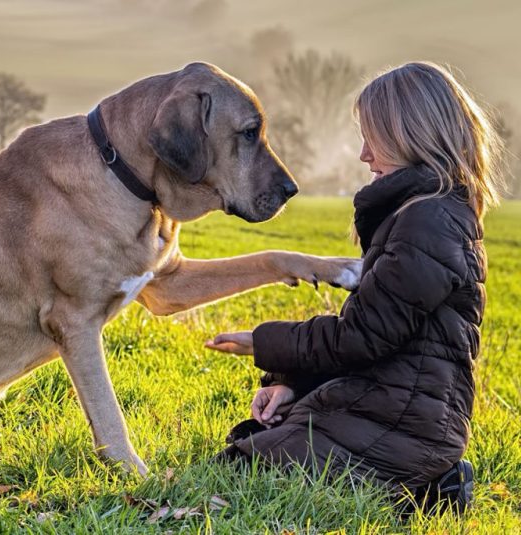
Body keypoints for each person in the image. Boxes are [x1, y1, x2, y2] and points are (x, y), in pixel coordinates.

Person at [205, 61, 505, 513]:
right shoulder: (424, 213)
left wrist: (261, 342)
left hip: (408, 427)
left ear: (412, 134)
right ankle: (425, 484)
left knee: (244, 464)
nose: (364, 154)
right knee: (253, 442)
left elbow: (360, 337)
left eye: (374, 138)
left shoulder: (430, 221)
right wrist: (289, 384)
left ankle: (431, 490)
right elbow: (374, 336)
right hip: (393, 410)